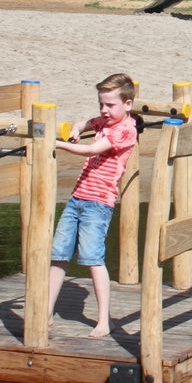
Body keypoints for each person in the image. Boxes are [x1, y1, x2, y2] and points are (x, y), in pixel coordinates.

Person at [47, 73, 142, 338]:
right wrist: (78, 129)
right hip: (77, 198)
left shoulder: (126, 130)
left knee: (92, 259)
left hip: (98, 204)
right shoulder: (104, 121)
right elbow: (86, 122)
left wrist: (55, 144)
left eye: (110, 105)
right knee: (58, 255)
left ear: (128, 104)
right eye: (102, 104)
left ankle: (103, 320)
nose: (104, 110)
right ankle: (46, 310)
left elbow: (92, 150)